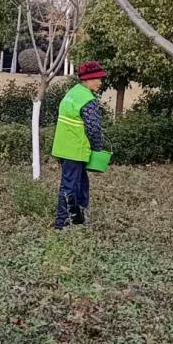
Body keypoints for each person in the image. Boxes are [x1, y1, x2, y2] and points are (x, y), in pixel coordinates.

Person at [52, 60, 106, 229]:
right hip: (75, 150)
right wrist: (98, 149)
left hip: (63, 148)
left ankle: (78, 220)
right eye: (98, 79)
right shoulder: (88, 99)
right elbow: (93, 129)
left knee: (81, 185)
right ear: (89, 79)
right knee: (70, 187)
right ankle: (62, 224)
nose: (100, 82)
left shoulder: (72, 93)